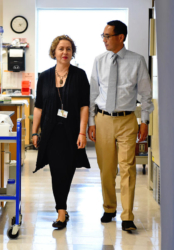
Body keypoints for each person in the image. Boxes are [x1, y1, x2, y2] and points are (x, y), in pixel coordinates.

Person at [88, 20, 154, 231]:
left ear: (120, 37)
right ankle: (109, 208)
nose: (104, 39)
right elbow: (93, 94)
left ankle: (127, 215)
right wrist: (91, 121)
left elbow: (145, 94)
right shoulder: (99, 60)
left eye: (107, 36)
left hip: (127, 120)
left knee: (128, 168)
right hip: (103, 119)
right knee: (106, 169)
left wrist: (144, 121)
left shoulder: (137, 61)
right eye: (103, 36)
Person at [32, 35, 91, 230]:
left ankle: (62, 209)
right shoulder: (44, 76)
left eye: (68, 49)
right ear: (54, 52)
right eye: (61, 49)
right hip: (50, 132)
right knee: (57, 172)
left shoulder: (80, 75)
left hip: (72, 132)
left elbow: (84, 106)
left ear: (72, 52)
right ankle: (61, 212)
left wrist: (82, 133)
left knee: (67, 171)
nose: (64, 52)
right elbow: (38, 107)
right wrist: (34, 132)